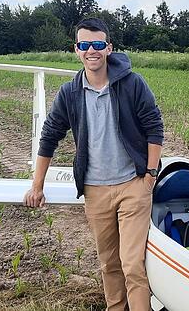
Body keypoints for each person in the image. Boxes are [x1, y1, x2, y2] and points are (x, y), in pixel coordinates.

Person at [23, 17, 163, 311]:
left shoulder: (132, 84)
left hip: (132, 186)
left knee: (132, 264)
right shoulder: (69, 93)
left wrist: (149, 174)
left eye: (98, 44)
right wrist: (37, 186)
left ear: (109, 48)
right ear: (76, 50)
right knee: (109, 264)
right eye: (85, 45)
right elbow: (49, 137)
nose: (92, 50)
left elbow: (154, 127)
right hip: (95, 190)